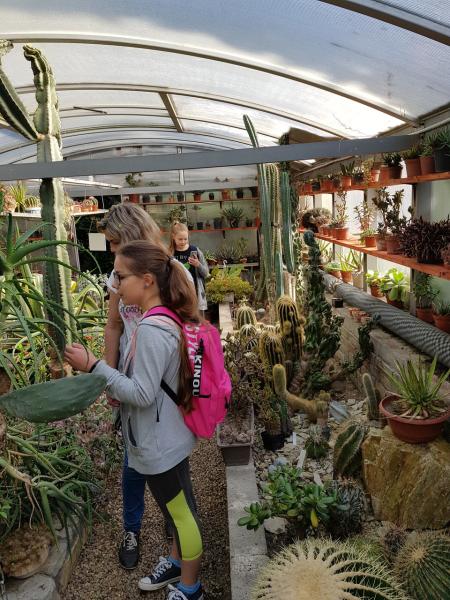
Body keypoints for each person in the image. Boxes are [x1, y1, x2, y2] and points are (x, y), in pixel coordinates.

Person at [65, 241, 204, 600]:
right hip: (166, 436)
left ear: (146, 280)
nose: (114, 284)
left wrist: (95, 366)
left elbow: (142, 394)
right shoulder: (160, 319)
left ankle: (191, 587)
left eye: (120, 276)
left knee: (182, 516)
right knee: (177, 513)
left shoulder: (153, 329)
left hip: (160, 444)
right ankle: (177, 562)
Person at [97, 204, 169, 570]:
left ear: (131, 234)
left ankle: (175, 520)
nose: (111, 249)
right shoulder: (117, 275)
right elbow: (113, 325)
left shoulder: (166, 269)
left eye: (114, 241)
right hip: (130, 375)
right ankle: (132, 529)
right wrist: (109, 374)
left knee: (170, 453)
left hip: (165, 381)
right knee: (133, 457)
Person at [169, 222, 209, 313]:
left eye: (185, 239)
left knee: (197, 319)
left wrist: (198, 265)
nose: (183, 242)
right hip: (177, 295)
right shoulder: (170, 253)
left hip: (195, 294)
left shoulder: (195, 251)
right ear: (173, 237)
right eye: (180, 239)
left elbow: (206, 273)